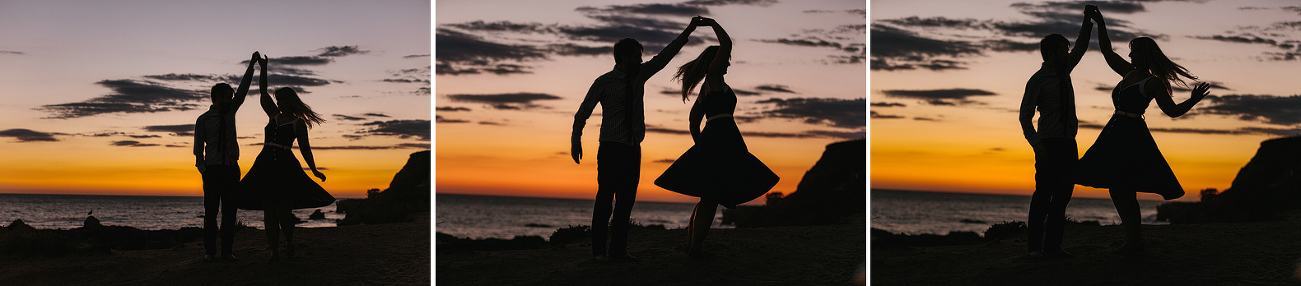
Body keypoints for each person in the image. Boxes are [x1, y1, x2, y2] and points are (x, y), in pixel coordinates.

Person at [1077, 6, 1211, 256]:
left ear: (1144, 55)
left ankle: (1134, 242)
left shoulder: (1153, 83)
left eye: (1134, 53)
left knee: (1125, 188)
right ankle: (1132, 239)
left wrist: (1193, 100)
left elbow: (1171, 112)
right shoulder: (1127, 72)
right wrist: (1100, 22)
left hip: (1132, 136)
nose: (1130, 57)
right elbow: (1107, 51)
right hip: (1113, 133)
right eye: (1129, 52)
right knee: (1116, 188)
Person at [571, 16, 707, 262]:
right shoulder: (603, 82)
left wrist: (689, 29)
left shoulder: (640, 75)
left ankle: (618, 251)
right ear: (623, 57)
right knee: (605, 201)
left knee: (626, 203)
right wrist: (575, 139)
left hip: (633, 149)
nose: (641, 60)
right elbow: (583, 112)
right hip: (611, 148)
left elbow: (665, 56)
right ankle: (599, 252)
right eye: (636, 56)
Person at [654, 18, 779, 259]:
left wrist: (700, 143)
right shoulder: (713, 78)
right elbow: (727, 43)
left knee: (708, 195)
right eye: (726, 61)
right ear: (716, 61)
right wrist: (711, 23)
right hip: (722, 138)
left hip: (717, 138)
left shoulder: (706, 88)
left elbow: (693, 121)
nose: (728, 65)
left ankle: (693, 245)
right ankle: (696, 248)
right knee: (711, 196)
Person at [235, 54, 336, 261]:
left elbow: (306, 149)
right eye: (278, 99)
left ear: (290, 102)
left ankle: (289, 241)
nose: (279, 102)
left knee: (283, 213)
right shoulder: (273, 114)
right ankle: (274, 250)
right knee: (268, 213)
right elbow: (262, 92)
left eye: (282, 99)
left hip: (285, 167)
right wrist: (263, 67)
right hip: (264, 165)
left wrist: (314, 170)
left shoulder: (298, 124)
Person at [1018, 5, 1094, 259]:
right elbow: (1025, 115)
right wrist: (1037, 145)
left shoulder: (1065, 71)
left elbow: (1081, 46)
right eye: (1063, 51)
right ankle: (1034, 250)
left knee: (1062, 197)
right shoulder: (1038, 80)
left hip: (1068, 143)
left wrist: (1088, 20)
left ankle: (1053, 247)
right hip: (1048, 144)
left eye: (1067, 50)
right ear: (1050, 53)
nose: (1067, 54)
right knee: (1042, 197)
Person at [193, 51, 260, 261]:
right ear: (217, 98)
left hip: (231, 169)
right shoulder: (203, 120)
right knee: (211, 214)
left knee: (230, 213)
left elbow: (243, 90)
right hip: (212, 171)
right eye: (228, 97)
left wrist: (252, 65)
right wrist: (203, 168)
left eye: (232, 97)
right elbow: (197, 149)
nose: (231, 99)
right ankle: (209, 253)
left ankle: (227, 252)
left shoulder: (231, 112)